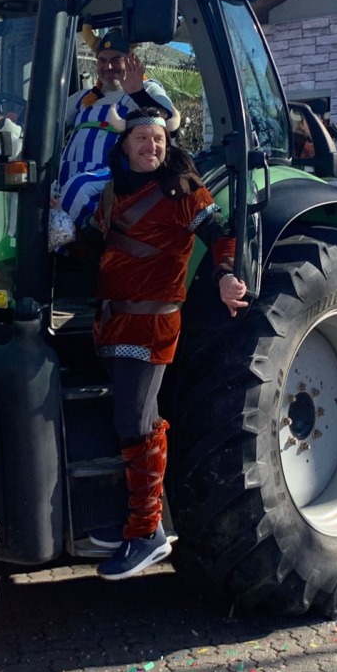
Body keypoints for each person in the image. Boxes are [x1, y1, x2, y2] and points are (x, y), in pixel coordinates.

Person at [84, 107, 248, 580]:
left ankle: (147, 532)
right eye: (142, 138)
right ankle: (133, 520)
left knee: (137, 423)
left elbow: (221, 236)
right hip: (113, 323)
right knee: (128, 419)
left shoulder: (183, 191)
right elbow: (94, 243)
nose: (151, 146)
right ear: (125, 145)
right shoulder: (114, 191)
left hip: (151, 324)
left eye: (158, 139)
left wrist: (224, 276)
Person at [55, 27, 177, 230]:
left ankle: (79, 240)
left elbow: (169, 122)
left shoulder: (147, 88)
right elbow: (52, 119)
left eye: (116, 59)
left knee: (79, 189)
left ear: (130, 59)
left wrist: (137, 93)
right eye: (102, 60)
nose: (108, 66)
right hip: (68, 175)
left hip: (112, 176)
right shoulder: (84, 98)